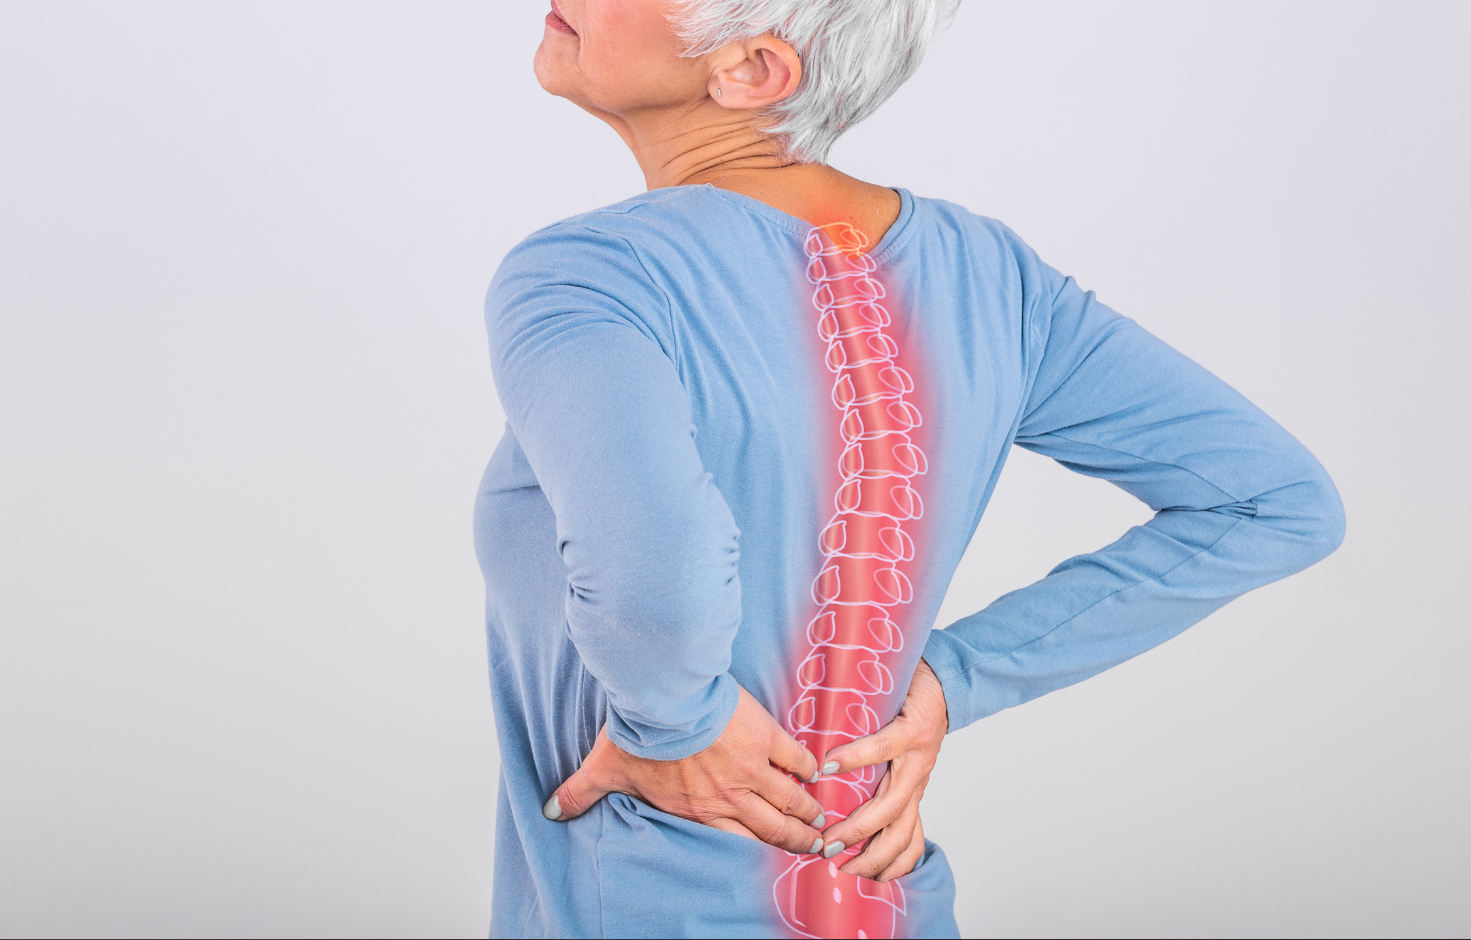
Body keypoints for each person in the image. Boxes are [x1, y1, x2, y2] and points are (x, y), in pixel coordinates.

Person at [472, 2, 1345, 937]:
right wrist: (954, 679)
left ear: (753, 72)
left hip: (659, 888)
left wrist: (677, 725)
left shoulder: (589, 273)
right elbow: (1275, 500)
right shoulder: (992, 276)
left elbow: (658, 571)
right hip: (887, 897)